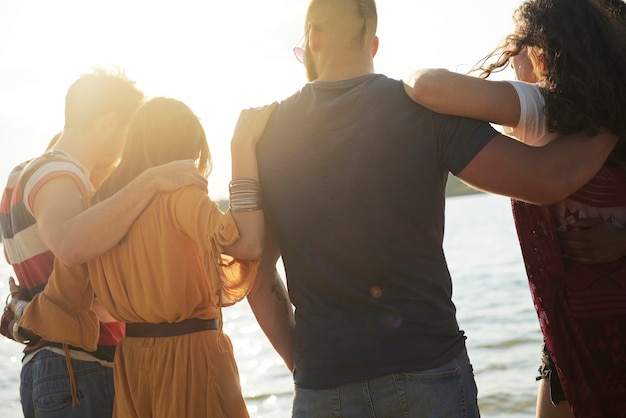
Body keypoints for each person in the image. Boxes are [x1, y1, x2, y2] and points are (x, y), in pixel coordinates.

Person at [247, 0, 619, 416]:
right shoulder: (425, 112)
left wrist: (308, 369)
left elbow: (257, 280)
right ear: (372, 44)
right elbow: (545, 178)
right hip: (429, 372)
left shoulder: (264, 137)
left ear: (313, 37)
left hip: (322, 382)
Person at [403, 1, 626, 416]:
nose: (511, 60)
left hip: (576, 334)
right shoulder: (612, 111)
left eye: (516, 47)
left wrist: (409, 74)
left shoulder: (544, 108)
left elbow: (425, 86)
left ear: (542, 52)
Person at [18, 97, 277, 418]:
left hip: (134, 370)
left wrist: (18, 311)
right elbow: (248, 243)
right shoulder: (181, 196)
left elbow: (63, 304)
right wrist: (242, 148)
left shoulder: (100, 211)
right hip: (192, 363)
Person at [0, 68, 207, 418]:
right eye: (130, 133)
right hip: (79, 371)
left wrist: (21, 312)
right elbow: (70, 244)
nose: (129, 149)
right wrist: (150, 181)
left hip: (50, 369)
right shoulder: (58, 173)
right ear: (110, 122)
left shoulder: (21, 177)